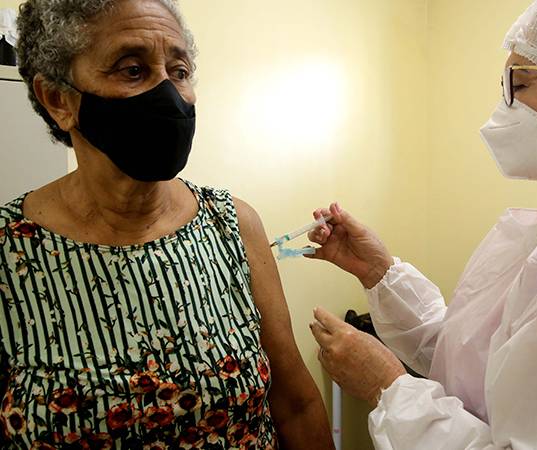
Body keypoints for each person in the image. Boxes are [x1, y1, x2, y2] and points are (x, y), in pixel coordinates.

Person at [308, 0, 537, 448]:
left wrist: (385, 386)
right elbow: (473, 361)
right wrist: (380, 274)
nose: (503, 109)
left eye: (519, 84)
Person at [0, 0, 334, 448]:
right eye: (132, 70)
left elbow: (296, 405)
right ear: (59, 99)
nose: (169, 95)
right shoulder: (9, 251)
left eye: (179, 71)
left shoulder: (232, 224)